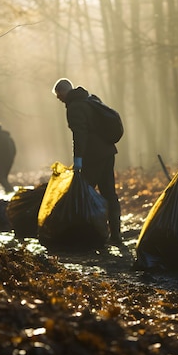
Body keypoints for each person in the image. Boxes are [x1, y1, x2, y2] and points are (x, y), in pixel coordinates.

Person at [52, 78, 122, 244]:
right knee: (109, 193)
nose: (58, 99)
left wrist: (78, 160)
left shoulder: (75, 107)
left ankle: (88, 233)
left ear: (63, 92)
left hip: (93, 156)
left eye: (58, 95)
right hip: (108, 151)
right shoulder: (91, 99)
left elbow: (80, 135)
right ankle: (116, 234)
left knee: (84, 192)